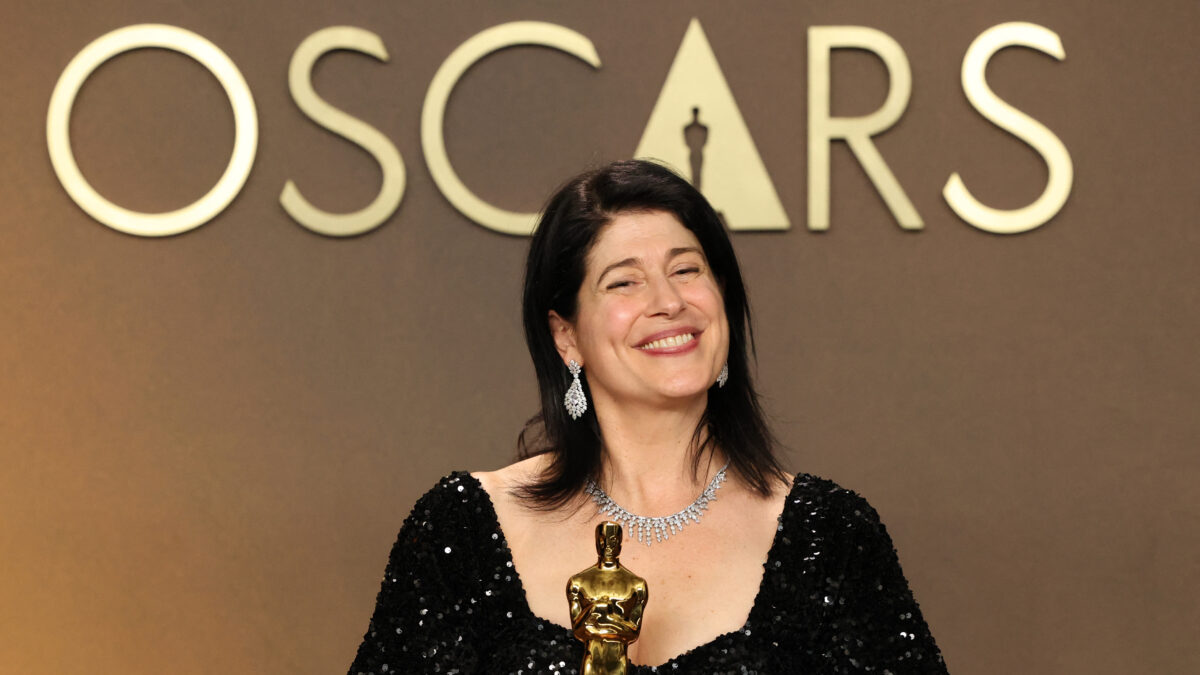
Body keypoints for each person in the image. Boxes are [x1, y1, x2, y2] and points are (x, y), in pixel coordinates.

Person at [348, 160, 948, 674]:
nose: (667, 303)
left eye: (687, 270)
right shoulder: (464, 531)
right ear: (566, 337)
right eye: (624, 282)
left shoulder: (832, 538)